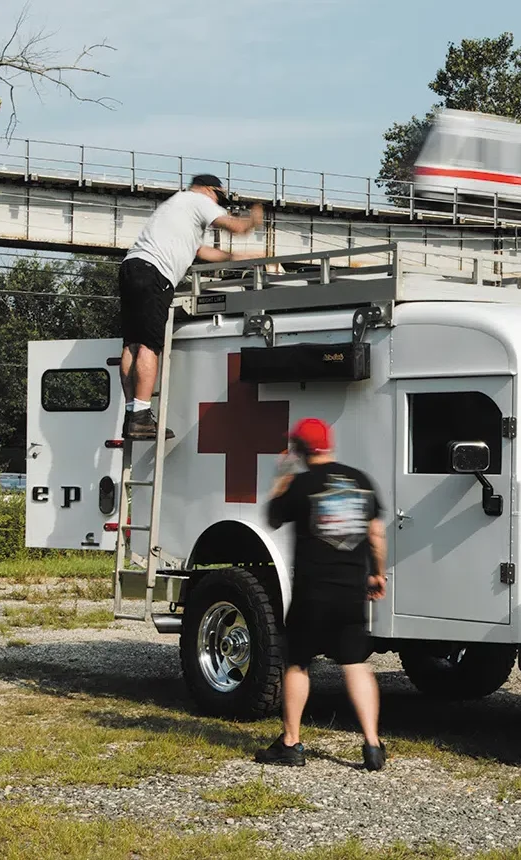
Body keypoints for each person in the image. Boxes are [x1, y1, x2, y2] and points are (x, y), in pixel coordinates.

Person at [255, 417, 389, 770]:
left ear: (299, 450)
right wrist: (376, 573)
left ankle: (292, 744)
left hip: (312, 595)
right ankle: (373, 745)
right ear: (329, 445)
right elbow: (376, 533)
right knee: (357, 664)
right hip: (350, 593)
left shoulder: (299, 484)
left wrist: (281, 476)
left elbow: (271, 517)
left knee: (298, 664)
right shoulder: (360, 481)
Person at [118, 174, 265, 439]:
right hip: (155, 273)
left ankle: (132, 414)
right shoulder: (197, 199)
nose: (219, 205)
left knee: (131, 344)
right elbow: (236, 227)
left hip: (132, 268)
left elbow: (204, 253)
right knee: (149, 345)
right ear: (210, 190)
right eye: (220, 199)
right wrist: (253, 219)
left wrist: (244, 258)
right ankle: (141, 418)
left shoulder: (177, 209)